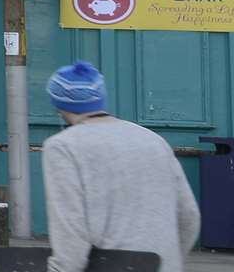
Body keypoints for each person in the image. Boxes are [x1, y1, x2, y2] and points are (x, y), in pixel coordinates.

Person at [43, 61, 200, 272]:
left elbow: (71, 235)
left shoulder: (63, 147)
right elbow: (189, 216)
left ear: (59, 105)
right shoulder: (152, 140)